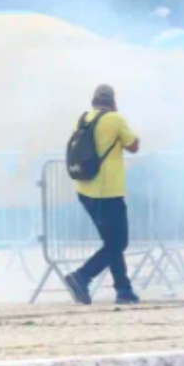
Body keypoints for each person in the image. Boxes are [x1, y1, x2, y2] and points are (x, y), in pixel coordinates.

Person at [64, 85, 141, 305]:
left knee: (111, 242)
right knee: (118, 243)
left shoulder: (83, 119)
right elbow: (133, 145)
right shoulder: (115, 119)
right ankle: (81, 276)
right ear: (112, 101)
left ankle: (123, 289)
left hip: (85, 190)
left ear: (94, 101)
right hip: (108, 192)